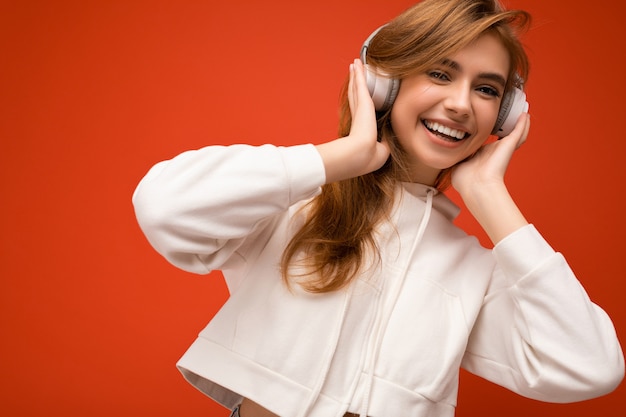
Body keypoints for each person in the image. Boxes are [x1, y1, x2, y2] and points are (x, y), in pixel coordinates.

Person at [132, 0, 624, 416]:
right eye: (440, 73)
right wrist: (341, 157)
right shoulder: (291, 203)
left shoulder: (475, 273)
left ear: (503, 118)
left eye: (487, 89)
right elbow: (164, 207)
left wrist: (489, 194)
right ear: (385, 83)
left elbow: (590, 367)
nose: (460, 104)